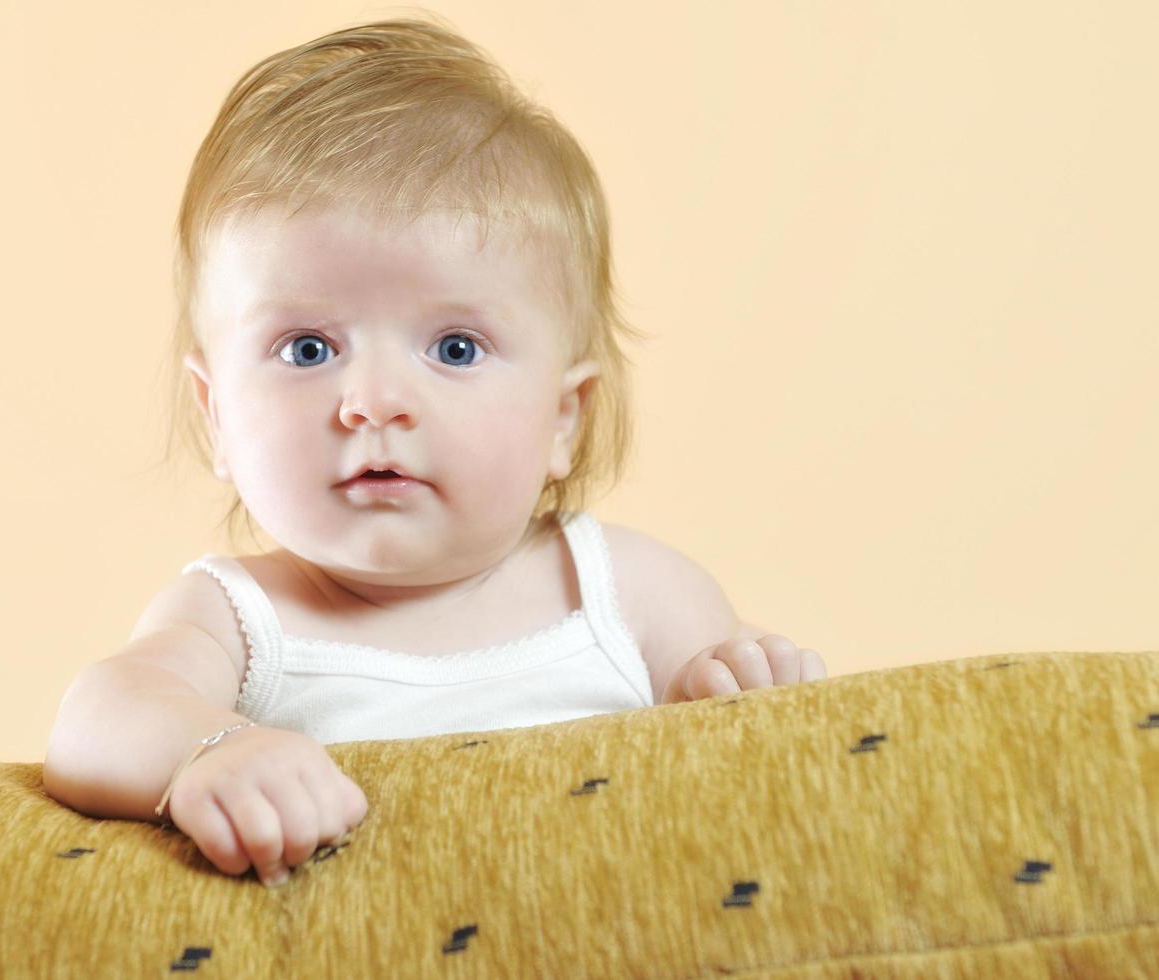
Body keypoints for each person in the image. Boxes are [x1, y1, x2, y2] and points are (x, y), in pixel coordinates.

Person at [44, 14, 826, 889]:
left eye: (454, 349)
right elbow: (95, 719)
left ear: (563, 419)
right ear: (216, 416)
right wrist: (212, 751)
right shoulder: (235, 618)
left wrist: (745, 677)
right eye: (308, 348)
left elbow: (745, 753)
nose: (372, 402)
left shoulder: (630, 597)